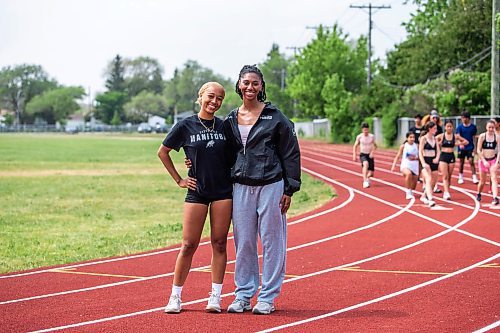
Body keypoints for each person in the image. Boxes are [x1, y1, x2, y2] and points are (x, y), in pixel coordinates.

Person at [223, 65, 301, 315]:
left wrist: (290, 188)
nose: (250, 87)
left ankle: (267, 296)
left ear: (261, 87)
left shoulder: (275, 117)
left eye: (255, 83)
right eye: (246, 82)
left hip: (271, 185)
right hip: (241, 187)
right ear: (238, 85)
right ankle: (243, 295)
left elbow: (290, 153)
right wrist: (192, 161)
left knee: (272, 242)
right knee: (244, 242)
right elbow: (219, 152)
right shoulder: (230, 119)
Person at [158, 82, 233, 314]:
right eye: (211, 96)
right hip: (197, 191)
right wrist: (179, 179)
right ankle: (175, 297)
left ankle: (215, 297)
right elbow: (163, 152)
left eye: (220, 98)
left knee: (219, 243)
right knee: (189, 244)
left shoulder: (225, 126)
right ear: (200, 97)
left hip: (222, 191)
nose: (215, 102)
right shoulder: (185, 125)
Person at [436, 120, 469, 200]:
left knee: (449, 176)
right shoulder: (441, 136)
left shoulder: (455, 136)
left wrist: (457, 144)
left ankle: (447, 190)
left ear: (453, 127)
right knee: (445, 176)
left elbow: (466, 142)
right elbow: (433, 140)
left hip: (451, 156)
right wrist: (438, 144)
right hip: (443, 156)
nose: (449, 128)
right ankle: (446, 192)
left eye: (450, 126)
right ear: (445, 127)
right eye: (448, 126)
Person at [475, 120, 499, 205]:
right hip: (483, 161)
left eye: (492, 127)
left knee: (494, 179)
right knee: (482, 181)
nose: (491, 129)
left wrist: (497, 162)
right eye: (489, 127)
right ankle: (478, 193)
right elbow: (478, 150)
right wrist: (484, 160)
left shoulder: (497, 137)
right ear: (486, 127)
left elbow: (499, 150)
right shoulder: (482, 136)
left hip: (493, 160)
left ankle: (495, 197)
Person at [391, 131, 419, 199]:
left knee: (413, 186)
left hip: (415, 166)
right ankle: (408, 192)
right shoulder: (403, 146)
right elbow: (398, 156)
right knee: (408, 174)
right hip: (405, 165)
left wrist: (415, 158)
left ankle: (410, 190)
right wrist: (393, 166)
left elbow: (420, 156)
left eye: (413, 137)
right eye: (410, 137)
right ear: (407, 138)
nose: (412, 139)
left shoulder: (417, 146)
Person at [419, 121, 440, 207]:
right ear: (429, 129)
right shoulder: (423, 138)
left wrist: (437, 158)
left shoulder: (435, 139)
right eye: (434, 128)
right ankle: (430, 199)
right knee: (428, 179)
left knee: (434, 181)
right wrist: (423, 163)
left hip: (433, 161)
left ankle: (424, 196)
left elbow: (438, 151)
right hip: (426, 160)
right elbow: (420, 152)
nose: (436, 130)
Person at [456, 110, 479, 184]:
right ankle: (460, 176)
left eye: (465, 118)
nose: (463, 119)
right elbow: (458, 137)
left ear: (468, 118)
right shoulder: (459, 127)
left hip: (470, 147)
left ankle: (474, 177)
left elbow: (474, 137)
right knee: (461, 162)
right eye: (462, 118)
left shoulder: (473, 127)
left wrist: (475, 148)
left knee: (471, 161)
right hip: (462, 147)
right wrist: (461, 143)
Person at [353, 122, 377, 188]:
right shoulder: (359, 137)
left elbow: (375, 146)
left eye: (367, 130)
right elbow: (355, 146)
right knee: (365, 164)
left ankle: (367, 178)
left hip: (370, 155)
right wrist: (354, 155)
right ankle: (365, 181)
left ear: (368, 129)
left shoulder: (372, 136)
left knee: (371, 174)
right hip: (363, 154)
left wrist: (372, 152)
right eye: (364, 130)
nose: (366, 131)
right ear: (362, 130)